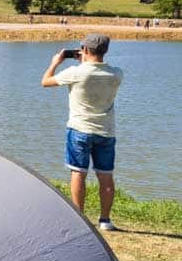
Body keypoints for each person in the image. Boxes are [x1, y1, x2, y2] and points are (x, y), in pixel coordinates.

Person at [40, 33, 123, 230]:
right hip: (106, 131)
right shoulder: (117, 74)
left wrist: (55, 62)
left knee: (78, 173)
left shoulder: (75, 73)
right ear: (105, 50)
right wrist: (85, 61)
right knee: (106, 176)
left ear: (84, 49)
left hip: (79, 130)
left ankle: (80, 220)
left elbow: (45, 81)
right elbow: (96, 73)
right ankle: (105, 220)